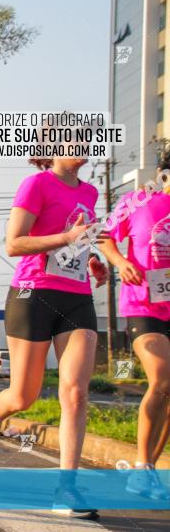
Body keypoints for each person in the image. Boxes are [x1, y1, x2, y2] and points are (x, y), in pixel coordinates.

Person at [0, 156, 108, 519]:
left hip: (76, 297)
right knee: (23, 395)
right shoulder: (35, 185)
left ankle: (67, 487)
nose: (83, 141)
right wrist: (67, 237)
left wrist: (91, 259)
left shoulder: (90, 191)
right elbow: (14, 244)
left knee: (75, 391)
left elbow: (75, 241)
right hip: (32, 293)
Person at [99, 159, 170, 501]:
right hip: (143, 304)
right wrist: (122, 262)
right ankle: (142, 466)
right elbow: (104, 236)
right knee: (163, 376)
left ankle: (148, 470)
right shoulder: (137, 201)